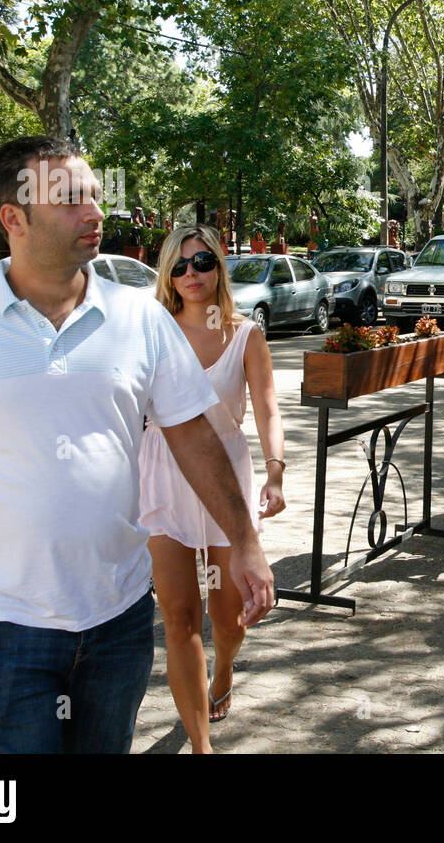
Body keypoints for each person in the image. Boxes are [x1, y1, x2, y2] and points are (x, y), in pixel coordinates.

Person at [0, 136, 273, 753]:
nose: (95, 211)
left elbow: (192, 435)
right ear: (14, 218)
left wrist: (244, 543)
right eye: (71, 199)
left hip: (119, 618)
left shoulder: (141, 319)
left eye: (94, 194)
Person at [138, 224, 284, 751]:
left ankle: (224, 668)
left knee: (228, 614)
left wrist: (275, 469)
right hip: (160, 473)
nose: (191, 274)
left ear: (219, 266)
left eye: (201, 262)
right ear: (166, 274)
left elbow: (267, 406)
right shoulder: (153, 331)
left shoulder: (245, 333)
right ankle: (201, 746)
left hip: (227, 476)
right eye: (178, 266)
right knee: (179, 619)